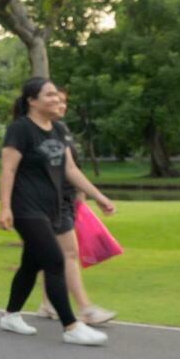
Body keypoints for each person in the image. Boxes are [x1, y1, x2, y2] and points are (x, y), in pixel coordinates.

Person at [0, 77, 115, 347]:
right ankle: (71, 326)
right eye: (49, 95)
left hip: (50, 209)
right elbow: (8, 169)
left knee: (31, 263)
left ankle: (11, 315)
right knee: (54, 261)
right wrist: (5, 207)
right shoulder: (20, 129)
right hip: (26, 208)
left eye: (56, 95)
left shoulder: (58, 130)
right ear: (32, 100)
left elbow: (71, 170)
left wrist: (98, 196)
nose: (56, 99)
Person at [35, 90, 116, 325]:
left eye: (63, 101)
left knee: (46, 255)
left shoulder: (61, 130)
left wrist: (84, 194)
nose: (61, 105)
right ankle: (85, 309)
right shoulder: (34, 132)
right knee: (68, 253)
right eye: (55, 100)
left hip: (66, 200)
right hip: (49, 202)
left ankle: (47, 304)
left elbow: (71, 168)